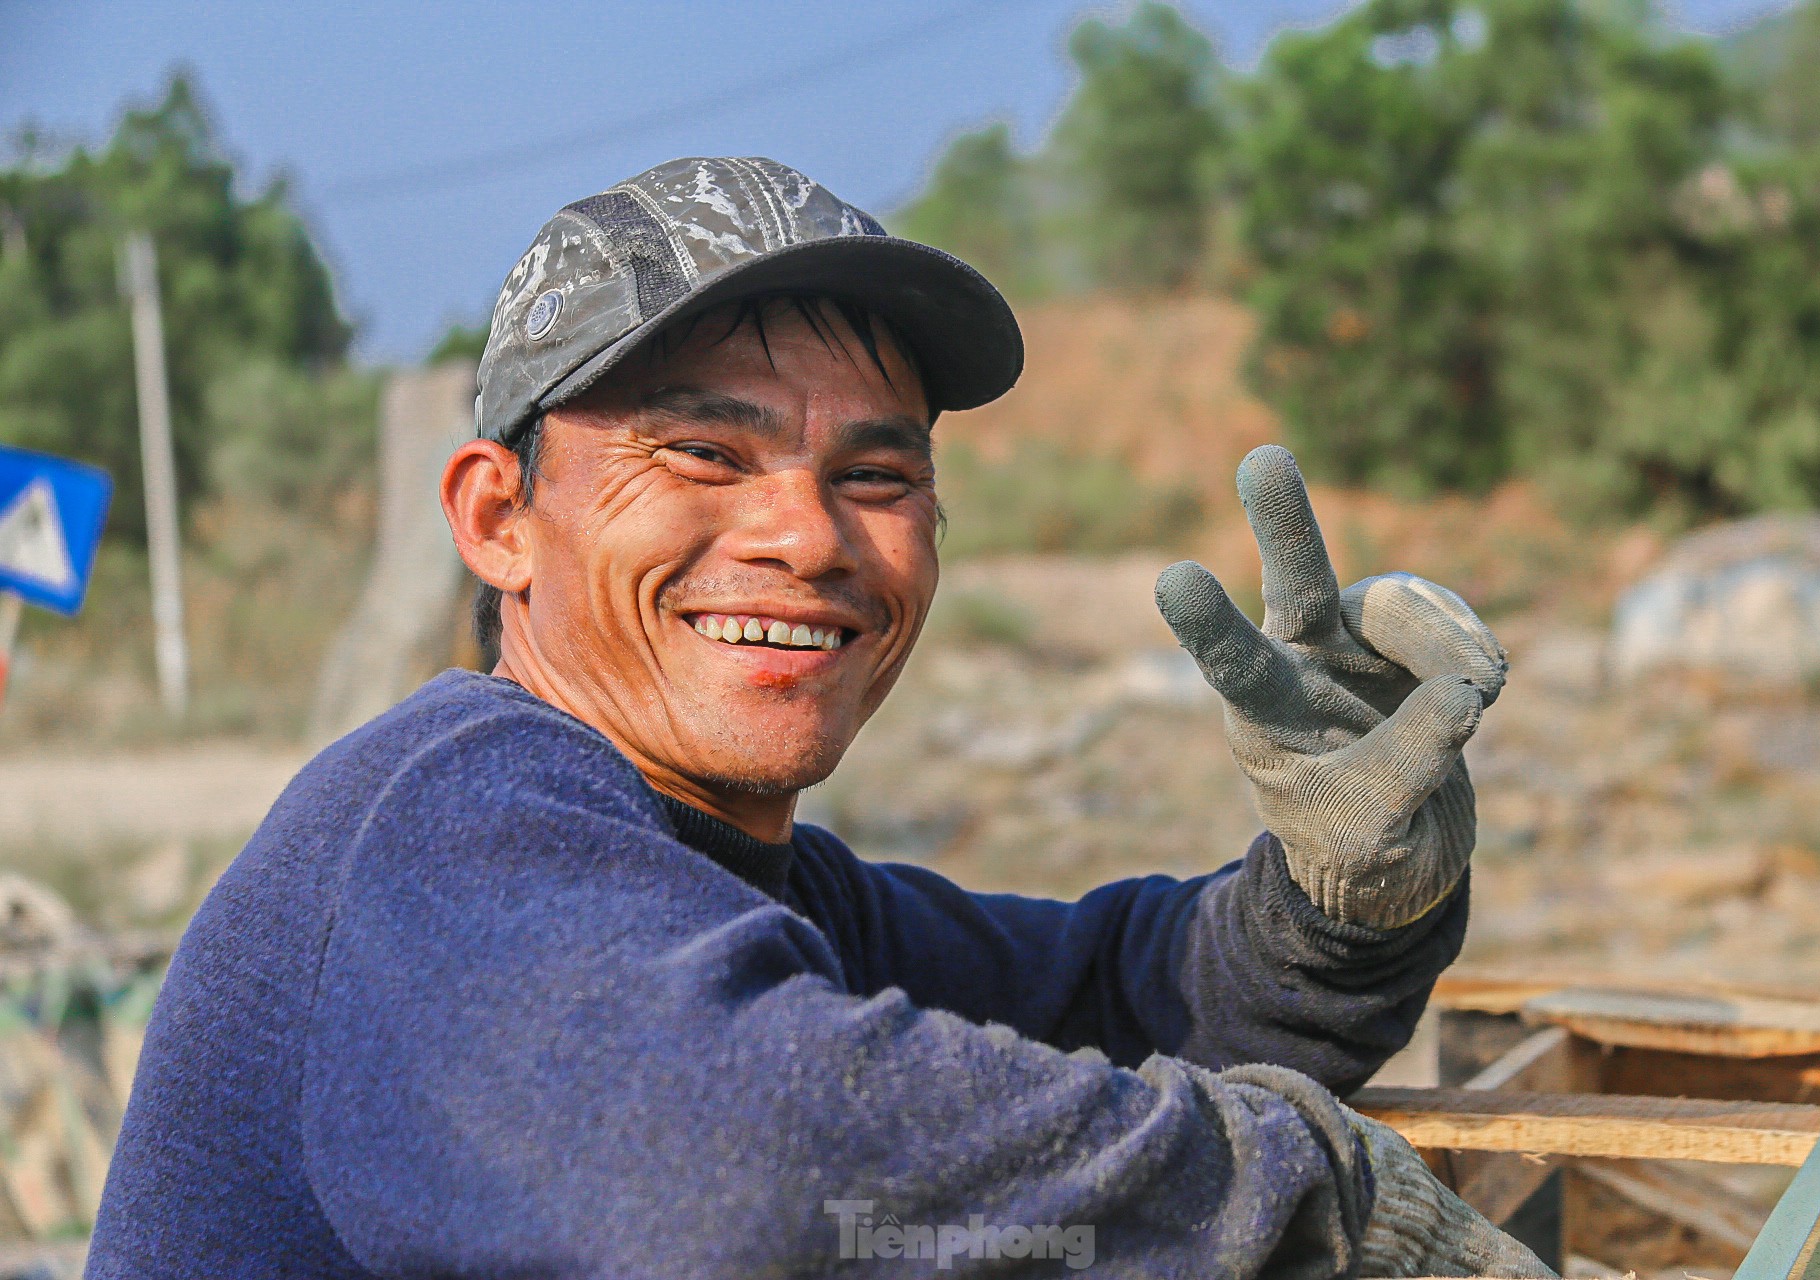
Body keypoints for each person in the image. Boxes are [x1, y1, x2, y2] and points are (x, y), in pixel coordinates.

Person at [88, 157, 1549, 1278]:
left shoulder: (730, 886)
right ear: (498, 518)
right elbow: (762, 1176)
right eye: (705, 451)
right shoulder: (448, 827)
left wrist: (1344, 893)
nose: (807, 536)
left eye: (875, 475)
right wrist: (1314, 1204)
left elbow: (1129, 1003)